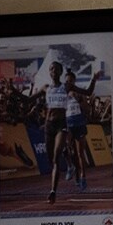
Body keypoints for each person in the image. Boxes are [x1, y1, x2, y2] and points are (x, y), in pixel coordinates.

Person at [38, 60, 74, 202]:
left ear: (60, 72)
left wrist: (94, 80)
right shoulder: (45, 88)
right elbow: (28, 100)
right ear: (49, 72)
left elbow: (88, 92)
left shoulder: (66, 87)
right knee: (51, 160)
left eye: (56, 69)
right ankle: (68, 158)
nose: (53, 71)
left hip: (61, 125)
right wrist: (14, 90)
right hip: (48, 125)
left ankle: (53, 191)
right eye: (51, 69)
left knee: (56, 157)